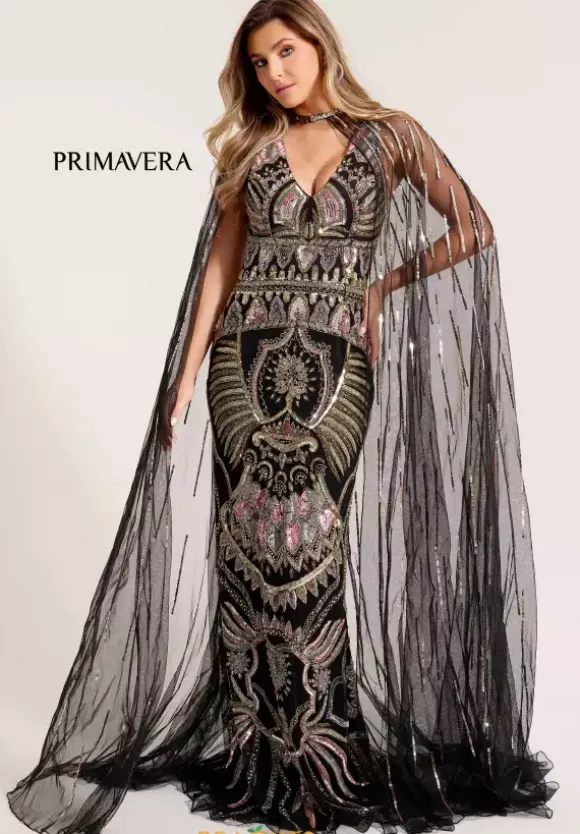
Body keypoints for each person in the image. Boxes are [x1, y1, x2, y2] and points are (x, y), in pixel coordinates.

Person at [6, 1, 559, 833]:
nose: (275, 74)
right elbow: (222, 262)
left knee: (314, 545)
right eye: (260, 63)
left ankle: (319, 753)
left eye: (286, 52)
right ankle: (259, 753)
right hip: (244, 364)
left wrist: (383, 287)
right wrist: (186, 374)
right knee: (246, 550)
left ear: (319, 45)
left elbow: (473, 227)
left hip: (337, 367)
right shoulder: (251, 147)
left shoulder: (393, 136)